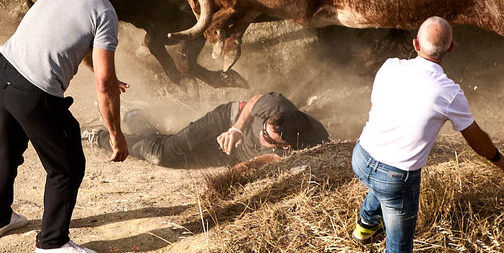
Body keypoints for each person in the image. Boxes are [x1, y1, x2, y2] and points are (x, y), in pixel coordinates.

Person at [0, 0, 131, 253]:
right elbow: (104, 85)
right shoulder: (104, 12)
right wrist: (116, 134)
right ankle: (52, 241)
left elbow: (69, 41)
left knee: (8, 147)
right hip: (34, 92)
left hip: (4, 70)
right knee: (67, 164)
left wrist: (105, 74)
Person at [351, 17, 504, 253]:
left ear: (415, 44)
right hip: (394, 177)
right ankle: (368, 231)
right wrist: (496, 158)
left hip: (361, 156)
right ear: (451, 48)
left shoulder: (390, 66)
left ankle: (364, 229)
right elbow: (475, 137)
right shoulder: (448, 92)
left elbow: (374, 107)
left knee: (379, 186)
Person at [84, 92, 329, 171]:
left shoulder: (300, 147)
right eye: (264, 127)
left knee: (168, 154)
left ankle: (134, 116)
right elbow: (254, 102)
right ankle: (100, 137)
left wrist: (223, 182)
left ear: (284, 146)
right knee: (162, 154)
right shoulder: (279, 108)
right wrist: (235, 129)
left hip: (231, 156)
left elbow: (254, 164)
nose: (261, 133)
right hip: (225, 120)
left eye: (266, 137)